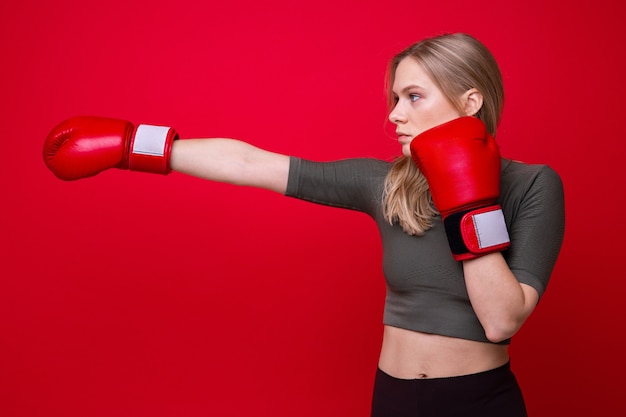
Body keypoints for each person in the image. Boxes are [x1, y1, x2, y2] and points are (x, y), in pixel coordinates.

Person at [42, 33, 565, 417]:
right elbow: (253, 164)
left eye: (414, 97)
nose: (395, 116)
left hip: (477, 402)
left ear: (469, 101)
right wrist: (135, 145)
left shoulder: (534, 185)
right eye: (395, 98)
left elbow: (500, 321)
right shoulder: (384, 184)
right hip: (394, 398)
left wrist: (467, 199)